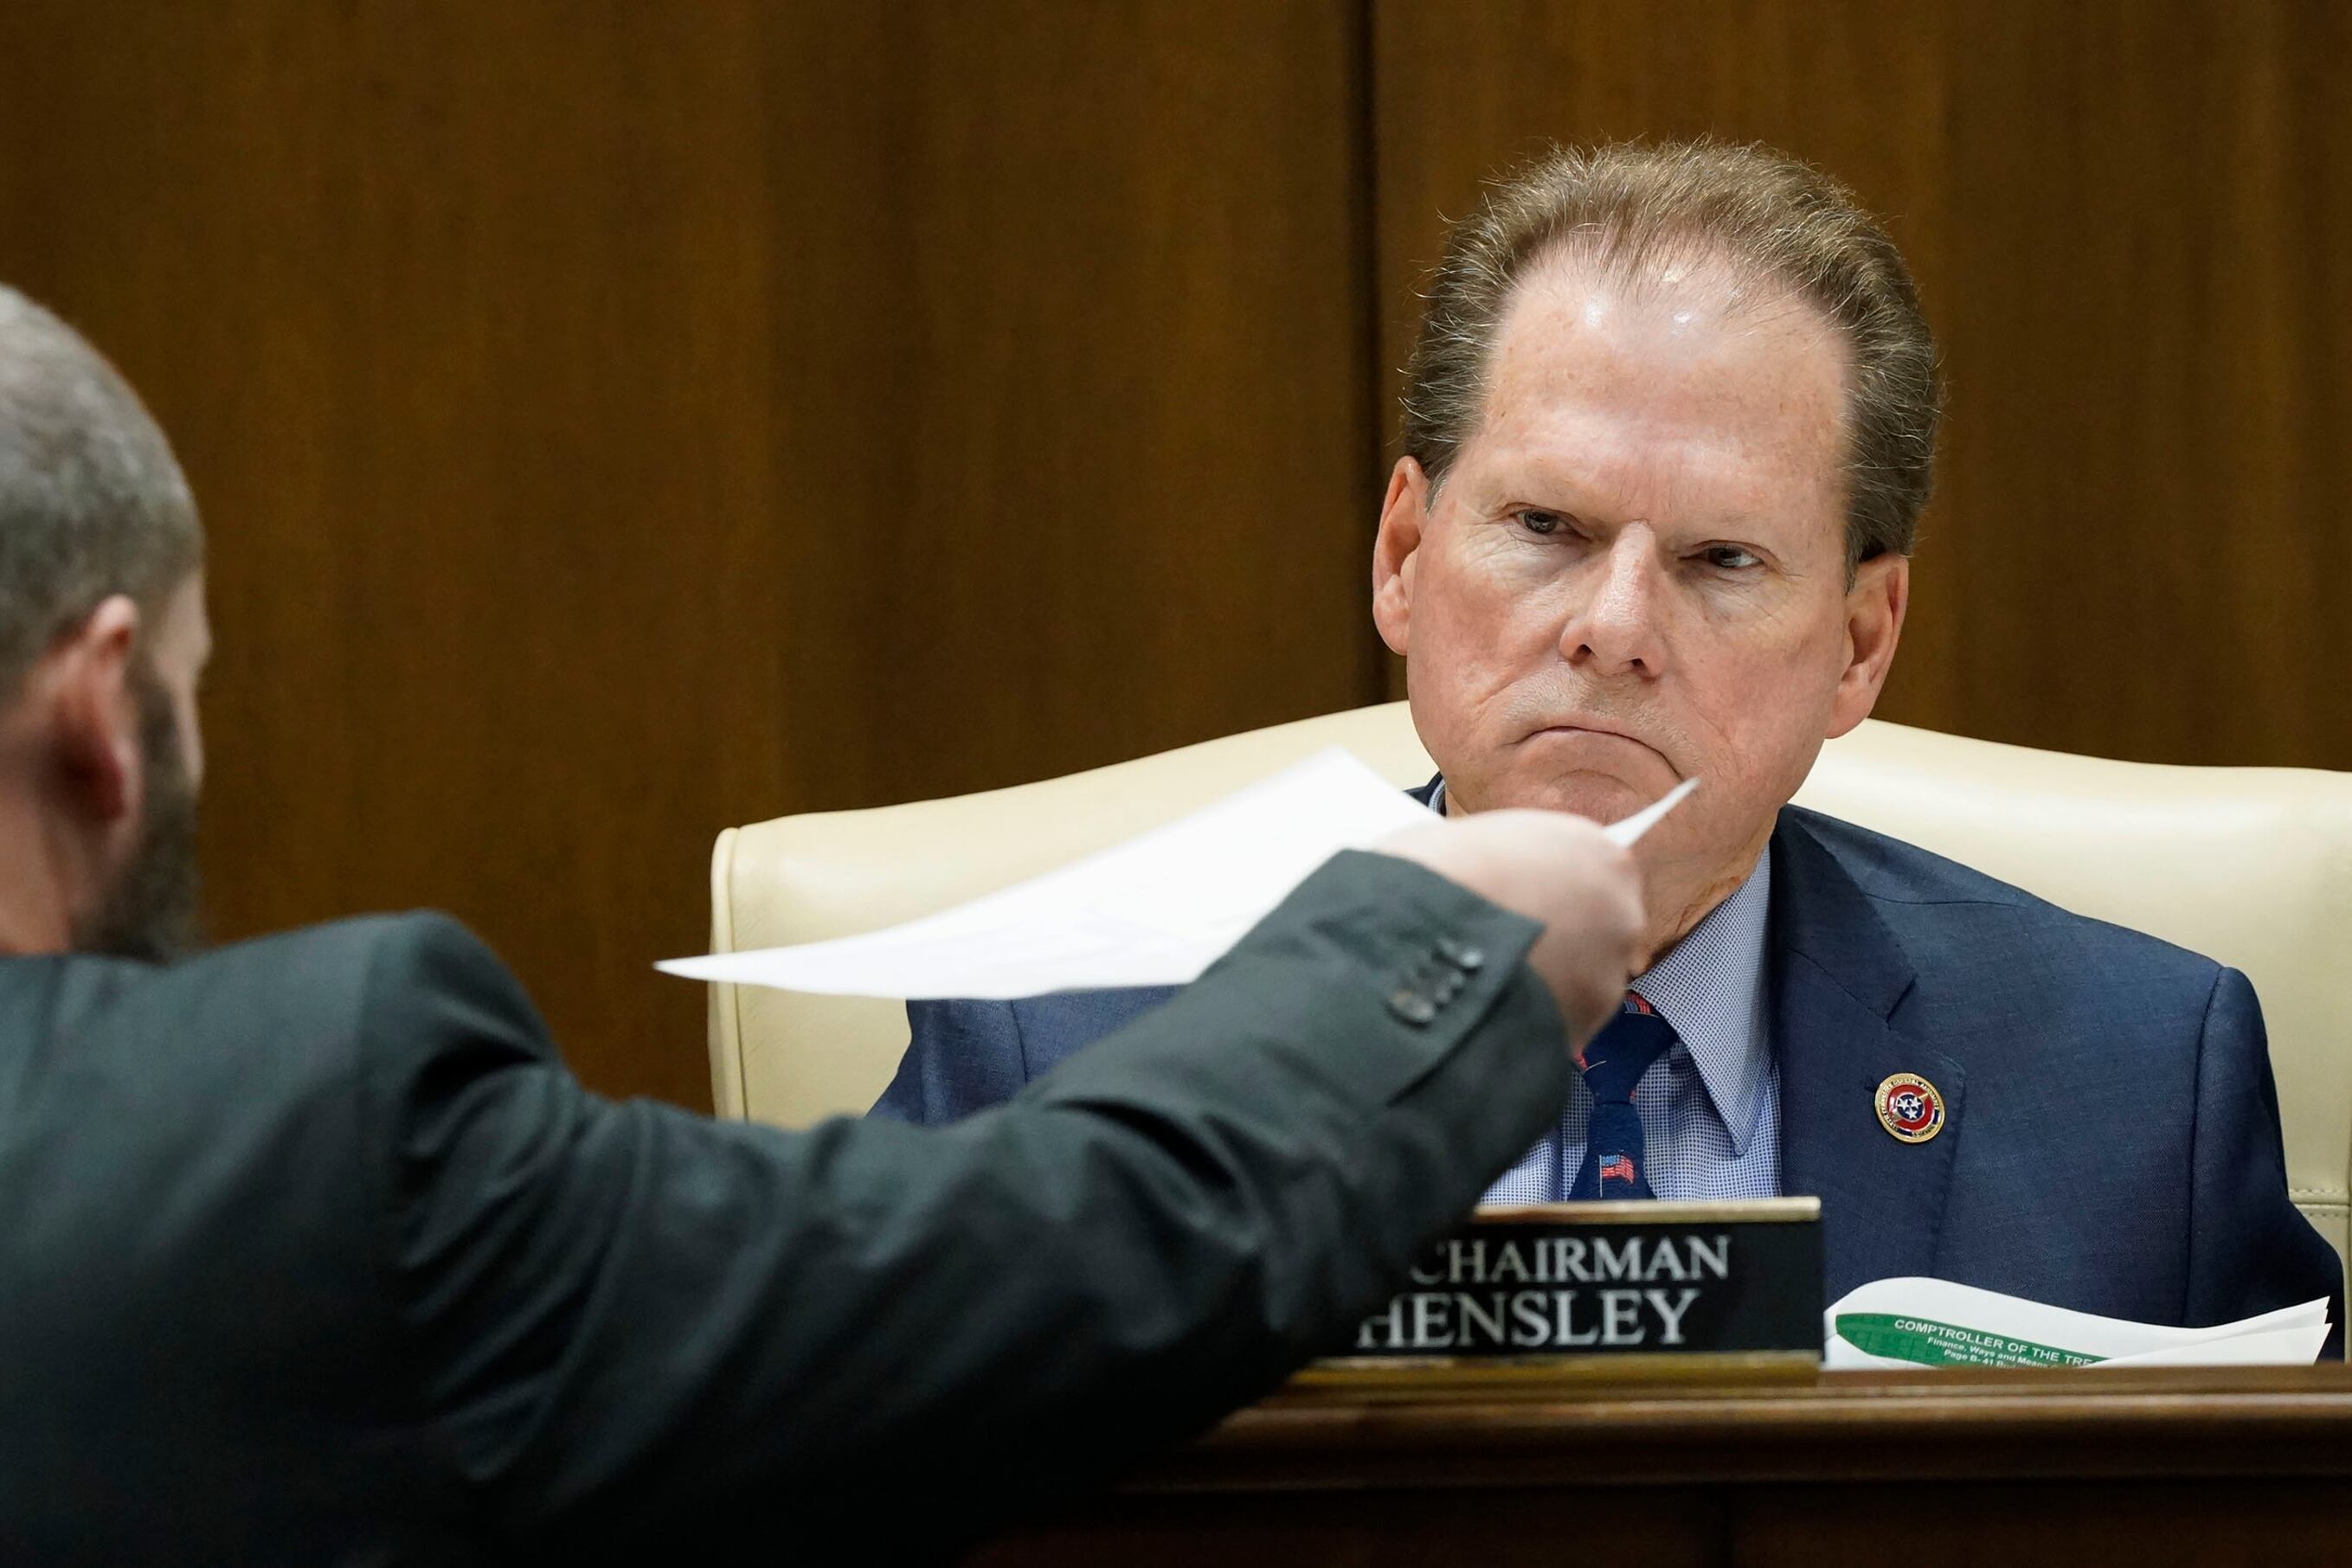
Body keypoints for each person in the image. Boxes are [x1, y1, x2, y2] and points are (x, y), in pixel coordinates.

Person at [0, 284, 1655, 1563]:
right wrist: (1425, 956)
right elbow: (1045, 1262)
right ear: (97, 705)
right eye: (191, 692)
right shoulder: (272, 1142)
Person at [875, 138, 2344, 1353]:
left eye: (1718, 559)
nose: (1613, 624)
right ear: (1402, 555)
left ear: (1857, 643)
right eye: (1545, 529)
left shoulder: (2135, 1081)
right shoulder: (1051, 1038)